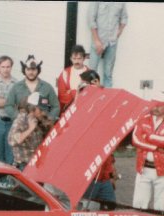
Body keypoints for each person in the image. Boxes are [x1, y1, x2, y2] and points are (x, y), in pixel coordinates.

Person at [79, 69, 118, 203]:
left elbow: (109, 149)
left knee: (110, 206)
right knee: (86, 208)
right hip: (87, 175)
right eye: (92, 84)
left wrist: (112, 174)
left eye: (97, 83)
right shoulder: (79, 106)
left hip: (104, 175)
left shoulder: (104, 108)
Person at [132, 91, 164, 211]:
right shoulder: (143, 118)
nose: (153, 108)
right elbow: (135, 140)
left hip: (162, 172)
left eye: (158, 105)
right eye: (153, 104)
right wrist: (155, 147)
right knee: (139, 206)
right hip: (143, 169)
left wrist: (149, 137)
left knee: (161, 207)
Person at [5, 55, 60, 123]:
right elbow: (8, 106)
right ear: (24, 70)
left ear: (38, 70)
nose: (31, 72)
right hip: (23, 127)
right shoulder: (16, 87)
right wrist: (18, 117)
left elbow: (56, 106)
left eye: (33, 69)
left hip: (42, 127)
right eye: (28, 69)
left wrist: (49, 119)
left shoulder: (47, 87)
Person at [8, 92, 54, 171]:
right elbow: (12, 140)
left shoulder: (40, 118)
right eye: (41, 109)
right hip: (24, 165)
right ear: (32, 109)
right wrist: (30, 129)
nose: (43, 112)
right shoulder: (21, 120)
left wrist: (49, 126)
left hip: (37, 163)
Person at [88, 2, 128, 88]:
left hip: (112, 43)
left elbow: (124, 17)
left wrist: (118, 32)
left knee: (108, 74)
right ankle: (90, 97)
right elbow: (91, 19)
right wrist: (97, 41)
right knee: (91, 73)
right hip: (98, 41)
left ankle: (106, 98)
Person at [57, 44, 89, 113]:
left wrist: (70, 92)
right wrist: (75, 93)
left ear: (84, 58)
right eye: (74, 59)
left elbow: (92, 95)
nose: (76, 61)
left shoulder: (90, 73)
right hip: (68, 110)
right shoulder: (64, 74)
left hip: (84, 109)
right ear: (71, 59)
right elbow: (61, 96)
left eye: (79, 59)